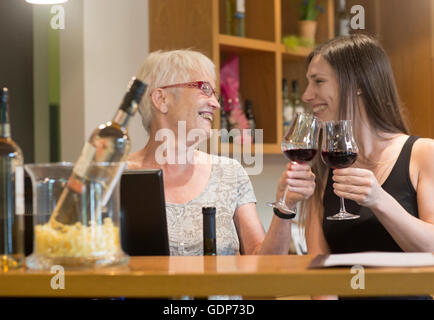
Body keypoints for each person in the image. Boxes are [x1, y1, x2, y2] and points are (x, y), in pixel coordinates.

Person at [128, 49, 315, 256]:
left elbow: (263, 264)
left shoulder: (230, 173)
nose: (216, 103)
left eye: (215, 94)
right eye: (204, 89)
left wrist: (285, 204)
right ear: (161, 99)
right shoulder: (117, 178)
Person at [302, 34, 434, 300]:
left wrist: (380, 201)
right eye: (308, 83)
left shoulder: (423, 153)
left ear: (358, 84)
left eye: (318, 81)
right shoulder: (323, 167)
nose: (307, 95)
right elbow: (320, 274)